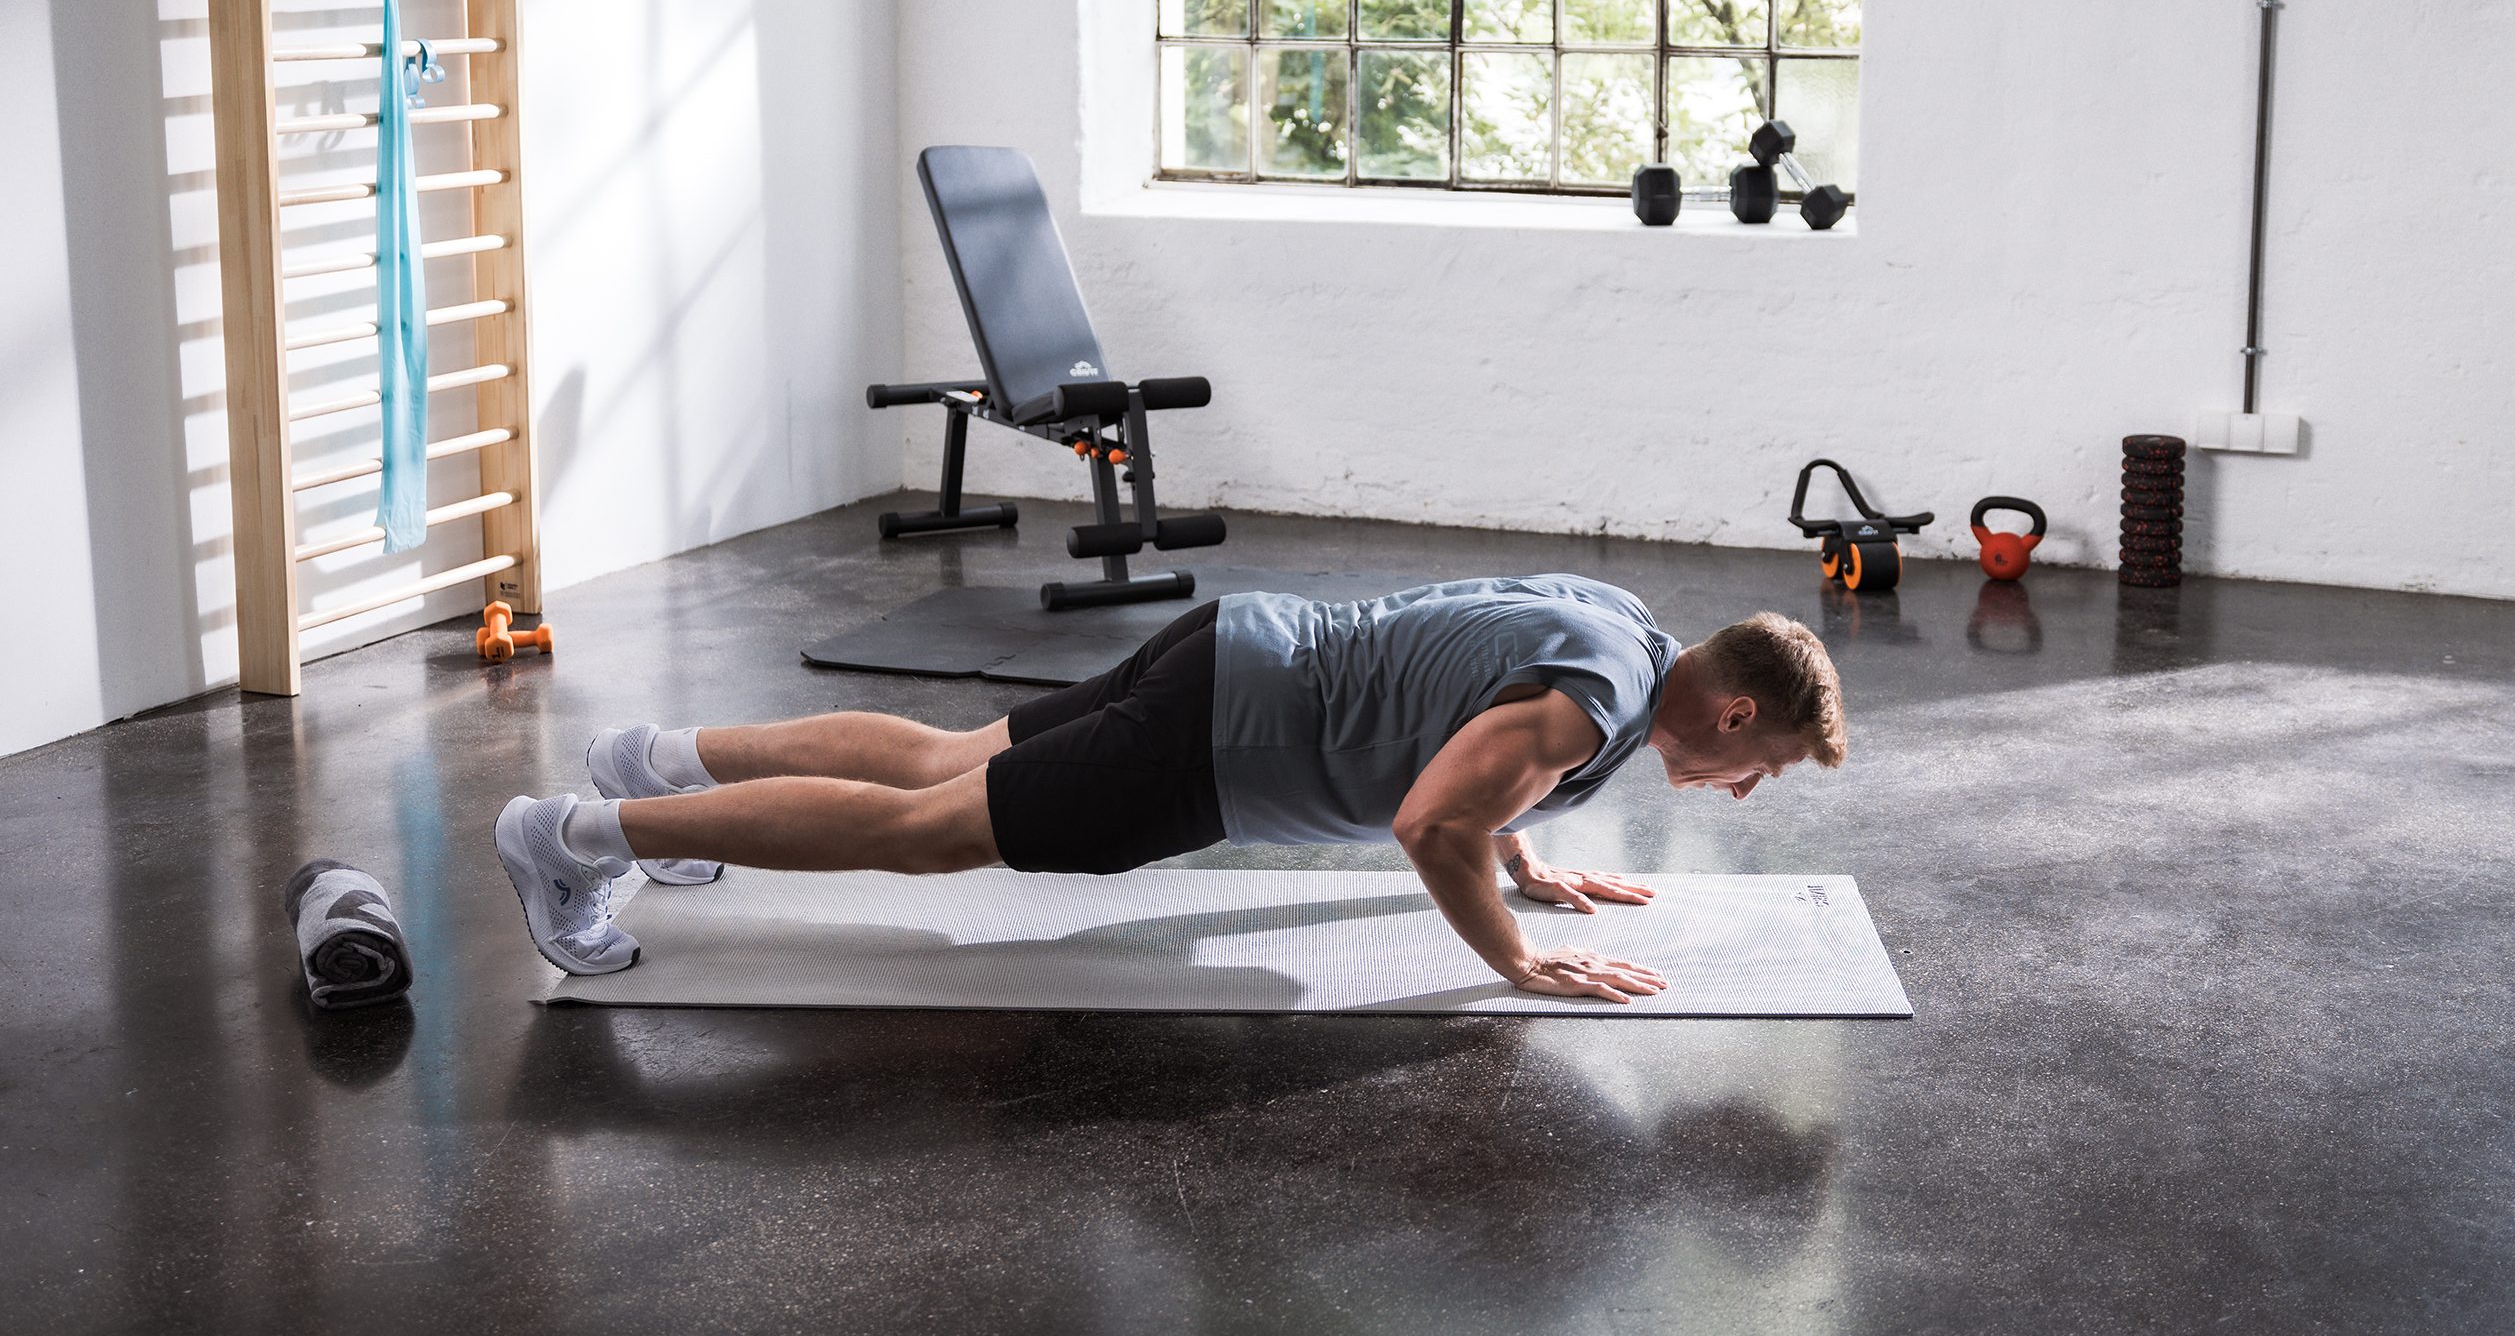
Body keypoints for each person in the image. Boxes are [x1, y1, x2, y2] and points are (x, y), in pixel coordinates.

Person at [496, 575, 1846, 1003]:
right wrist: (1517, 954)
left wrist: (1526, 853)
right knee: (920, 832)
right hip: (1217, 751)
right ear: (1732, 710)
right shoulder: (1591, 706)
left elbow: (1468, 734)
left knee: (935, 755)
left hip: (1238, 646)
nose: (1741, 791)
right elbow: (1431, 817)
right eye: (1762, 765)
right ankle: (571, 836)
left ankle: (653, 759)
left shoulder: (1622, 625)